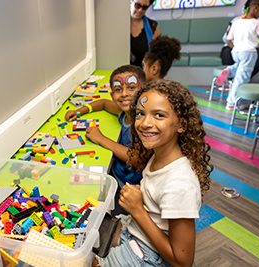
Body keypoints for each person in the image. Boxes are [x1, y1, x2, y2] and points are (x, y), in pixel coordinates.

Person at [92, 80, 213, 267]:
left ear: (181, 124)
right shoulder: (158, 154)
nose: (145, 123)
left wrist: (138, 210)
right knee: (88, 229)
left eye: (159, 115)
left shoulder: (180, 183)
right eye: (140, 114)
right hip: (134, 229)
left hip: (148, 254)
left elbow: (183, 262)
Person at [65, 65, 146, 215]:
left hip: (129, 188)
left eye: (131, 87)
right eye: (118, 89)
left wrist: (101, 139)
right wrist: (80, 110)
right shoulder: (123, 112)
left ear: (143, 91)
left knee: (94, 210)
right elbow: (102, 103)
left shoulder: (144, 123)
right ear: (112, 94)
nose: (124, 94)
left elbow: (136, 159)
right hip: (116, 175)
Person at [216, 0, 259, 110]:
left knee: (239, 68)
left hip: (236, 51)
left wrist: (235, 47)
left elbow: (229, 39)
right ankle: (232, 103)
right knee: (242, 78)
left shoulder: (236, 22)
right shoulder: (257, 23)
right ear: (255, 8)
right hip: (249, 52)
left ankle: (229, 70)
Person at [130, 0, 161, 68]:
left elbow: (158, 56)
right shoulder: (119, 24)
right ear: (130, 2)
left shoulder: (153, 27)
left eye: (144, 7)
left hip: (143, 73)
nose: (140, 10)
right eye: (137, 5)